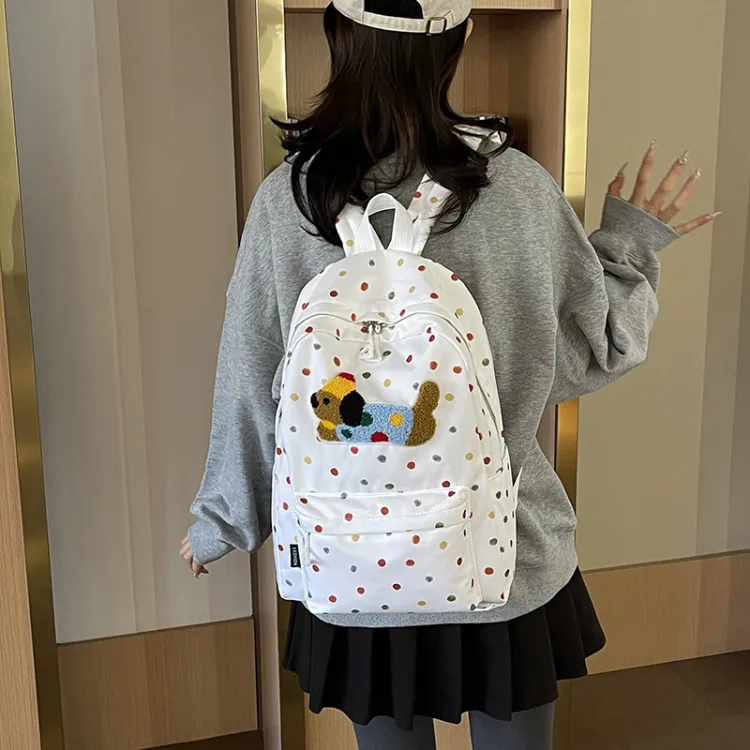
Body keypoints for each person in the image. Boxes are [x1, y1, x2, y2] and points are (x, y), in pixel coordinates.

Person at [179, 0, 717, 746]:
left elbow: (255, 376)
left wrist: (223, 519)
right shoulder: (517, 190)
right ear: (461, 37)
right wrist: (627, 246)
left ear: (337, 32)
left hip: (352, 558)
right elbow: (589, 352)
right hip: (500, 552)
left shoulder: (290, 201)